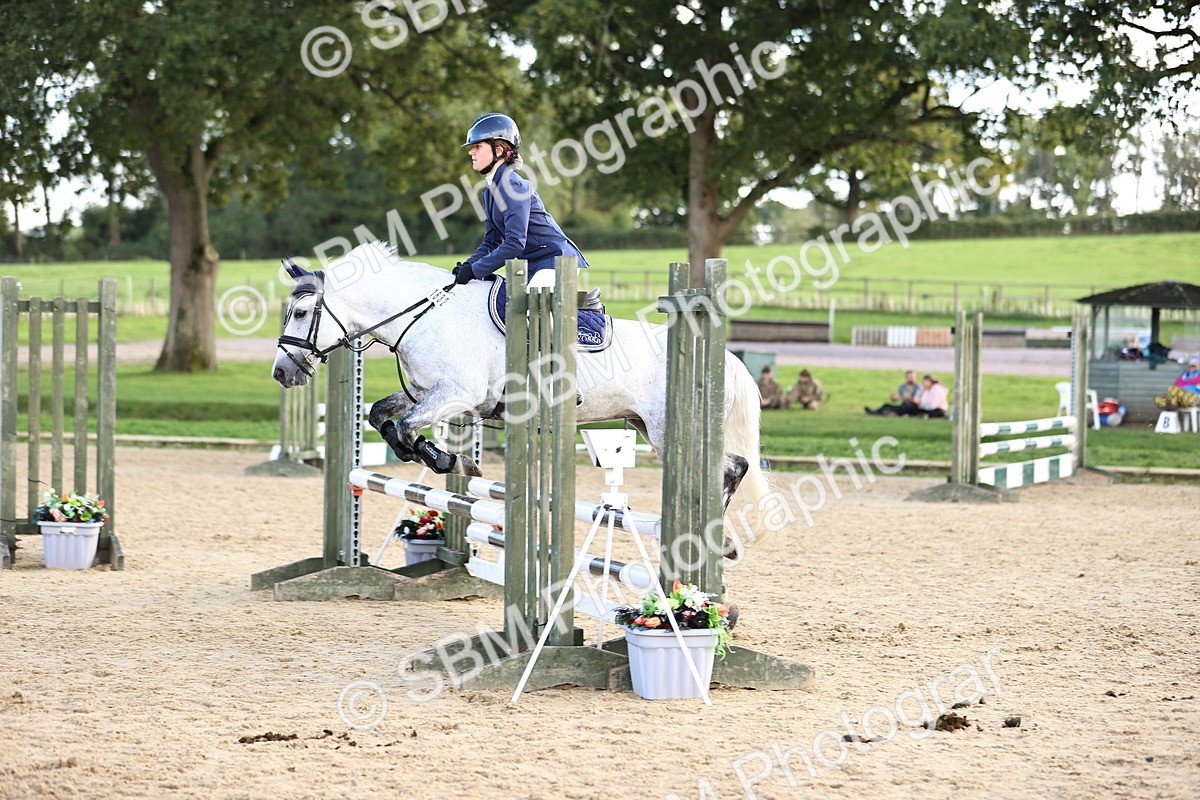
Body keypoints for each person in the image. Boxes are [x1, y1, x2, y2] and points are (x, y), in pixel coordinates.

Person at [453, 113, 590, 322]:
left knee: (528, 319)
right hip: (533, 265)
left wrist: (475, 271)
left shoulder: (514, 186)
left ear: (498, 150)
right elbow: (492, 241)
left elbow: (515, 244)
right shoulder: (489, 191)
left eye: (477, 146)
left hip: (555, 261)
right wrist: (468, 265)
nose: (471, 152)